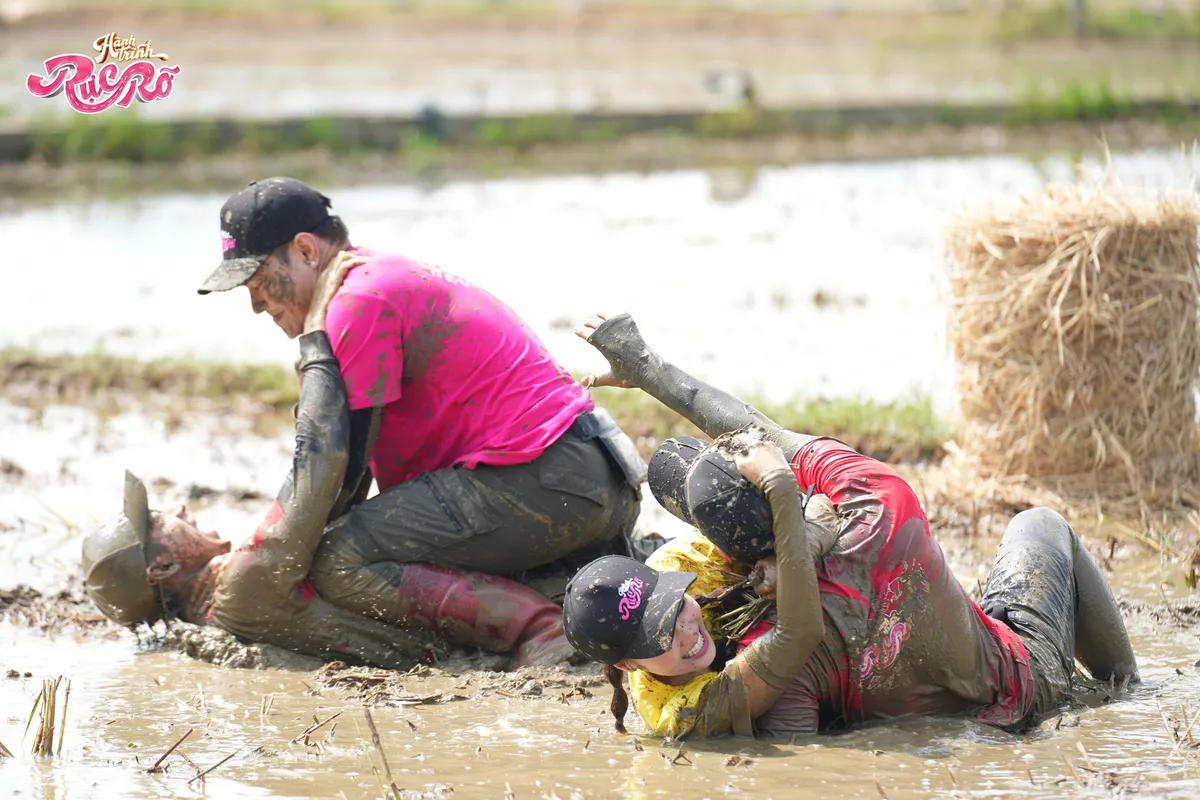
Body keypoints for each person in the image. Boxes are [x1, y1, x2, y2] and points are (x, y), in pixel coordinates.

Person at [562, 312, 1139, 738]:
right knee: (1040, 523)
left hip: (999, 698)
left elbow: (803, 759)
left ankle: (1122, 695)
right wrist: (650, 370)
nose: (685, 622)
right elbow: (749, 423)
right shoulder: (868, 489)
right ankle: (1129, 689)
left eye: (675, 608)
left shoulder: (777, 652)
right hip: (1015, 673)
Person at [190, 177, 643, 658]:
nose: (257, 304)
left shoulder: (354, 304)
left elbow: (335, 468)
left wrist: (271, 563)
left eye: (259, 281)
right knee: (361, 546)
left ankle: (542, 633)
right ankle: (554, 595)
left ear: (305, 251)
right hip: (594, 481)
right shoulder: (379, 276)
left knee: (338, 558)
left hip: (547, 482)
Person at [79, 256, 579, 668]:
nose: (181, 511)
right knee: (346, 544)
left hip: (427, 620)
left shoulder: (234, 601)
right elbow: (315, 470)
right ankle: (541, 630)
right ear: (162, 567)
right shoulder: (238, 590)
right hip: (438, 645)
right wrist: (318, 339)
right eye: (160, 521)